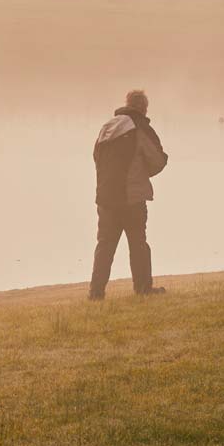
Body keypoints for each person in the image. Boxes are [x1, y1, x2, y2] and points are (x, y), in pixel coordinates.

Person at [89, 88, 169, 299]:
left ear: (127, 104)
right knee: (138, 244)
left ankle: (96, 293)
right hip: (132, 198)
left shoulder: (107, 127)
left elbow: (96, 158)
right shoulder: (140, 127)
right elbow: (157, 160)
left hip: (105, 198)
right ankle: (143, 288)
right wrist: (143, 171)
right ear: (143, 108)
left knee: (105, 245)